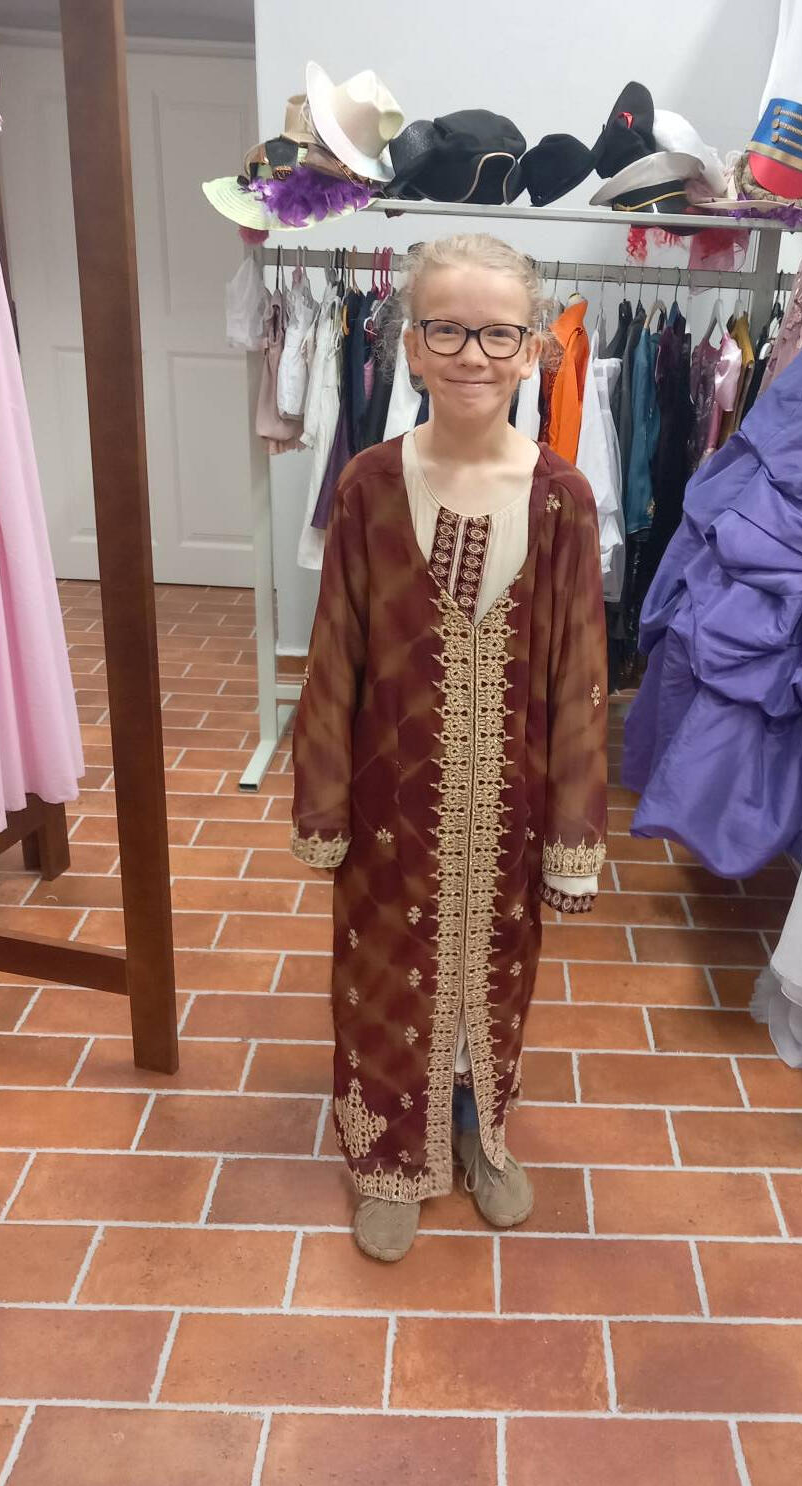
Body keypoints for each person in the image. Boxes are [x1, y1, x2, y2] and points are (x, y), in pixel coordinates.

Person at [290, 234, 608, 1262]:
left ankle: (478, 1129)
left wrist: (572, 833)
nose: (474, 354)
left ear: (534, 349)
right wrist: (323, 803)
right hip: (389, 806)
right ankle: (387, 1153)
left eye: (499, 334)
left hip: (510, 807)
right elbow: (334, 656)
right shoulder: (368, 486)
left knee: (495, 977)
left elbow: (580, 676)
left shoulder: (560, 497)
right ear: (412, 348)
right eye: (448, 330)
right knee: (386, 974)